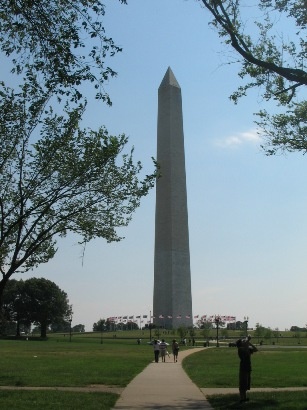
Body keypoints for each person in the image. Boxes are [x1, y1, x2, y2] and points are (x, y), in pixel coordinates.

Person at [236, 335, 258, 402]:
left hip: (248, 368)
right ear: (240, 344)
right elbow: (245, 349)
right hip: (243, 368)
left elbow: (256, 349)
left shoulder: (247, 348)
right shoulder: (240, 349)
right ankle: (241, 398)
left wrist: (249, 342)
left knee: (246, 384)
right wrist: (248, 340)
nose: (244, 341)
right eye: (243, 341)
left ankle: (244, 398)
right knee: (242, 384)